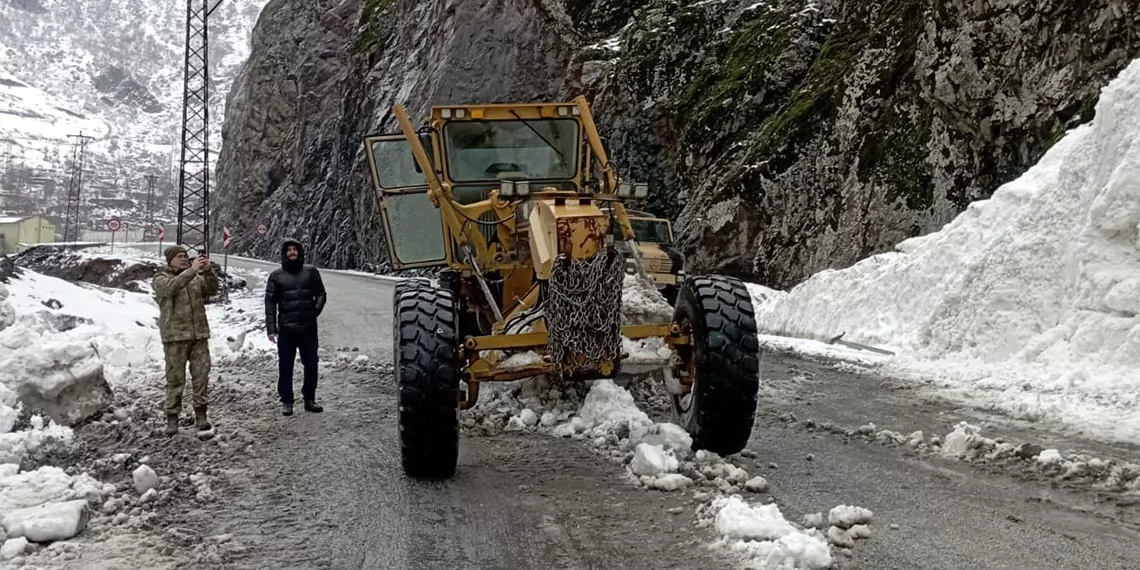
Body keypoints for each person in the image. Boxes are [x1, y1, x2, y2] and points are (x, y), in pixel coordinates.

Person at [153, 245, 220, 438]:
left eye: (186, 256)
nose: (184, 259)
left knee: (201, 375)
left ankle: (201, 416)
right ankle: (172, 418)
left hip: (198, 335)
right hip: (174, 336)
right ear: (170, 260)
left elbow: (212, 289)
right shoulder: (161, 278)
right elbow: (171, 289)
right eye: (180, 256)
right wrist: (192, 270)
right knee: (175, 379)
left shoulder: (194, 278)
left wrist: (208, 272)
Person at [265, 238, 326, 416]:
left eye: (295, 250)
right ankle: (286, 401)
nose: (292, 253)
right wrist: (271, 328)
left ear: (299, 252)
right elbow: (270, 303)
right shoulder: (276, 276)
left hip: (308, 329)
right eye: (288, 250)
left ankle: (309, 399)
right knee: (285, 366)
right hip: (286, 330)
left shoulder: (311, 272)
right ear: (284, 254)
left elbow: (321, 293)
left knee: (312, 365)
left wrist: (314, 311)